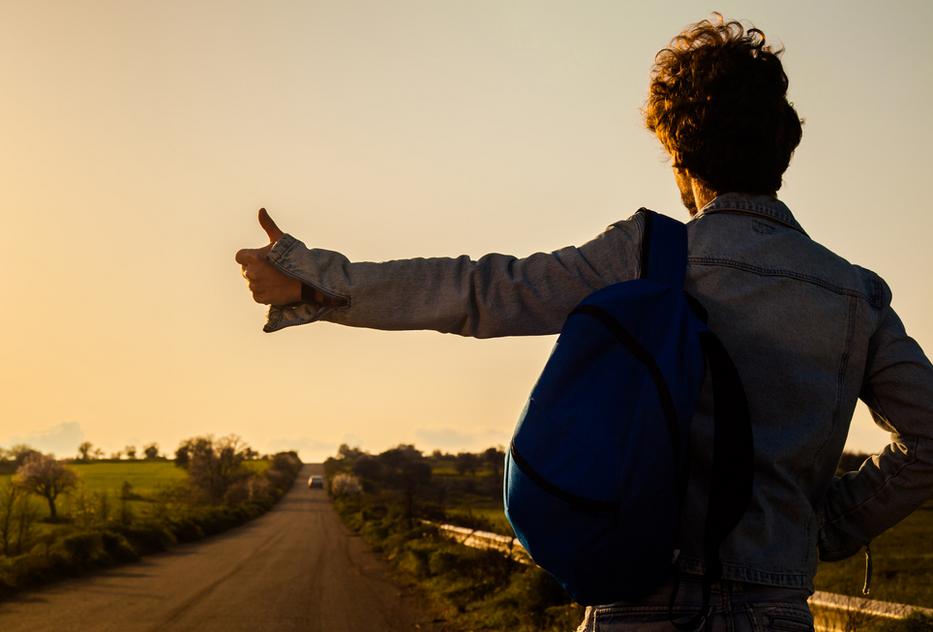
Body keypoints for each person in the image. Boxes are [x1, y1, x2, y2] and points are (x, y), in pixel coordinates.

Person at [235, 15, 933, 632]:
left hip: (639, 601)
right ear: (783, 149)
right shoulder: (855, 295)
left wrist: (318, 280)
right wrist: (828, 525)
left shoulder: (648, 255)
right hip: (777, 605)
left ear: (677, 156)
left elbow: (481, 290)